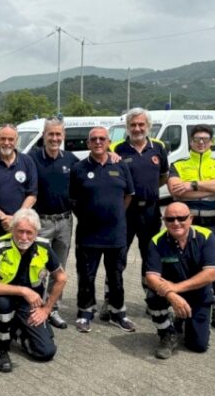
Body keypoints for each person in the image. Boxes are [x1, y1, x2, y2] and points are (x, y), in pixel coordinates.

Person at [0, 209, 67, 373]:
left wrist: (46, 309)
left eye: (29, 233)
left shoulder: (43, 246)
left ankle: (15, 330)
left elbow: (61, 278)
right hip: (1, 297)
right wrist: (23, 290)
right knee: (3, 305)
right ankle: (1, 350)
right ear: (12, 229)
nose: (24, 237)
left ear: (36, 233)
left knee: (46, 351)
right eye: (20, 231)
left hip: (28, 303)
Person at [167, 124, 215, 330]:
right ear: (191, 141)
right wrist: (210, 187)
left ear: (211, 141)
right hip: (187, 228)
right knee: (183, 269)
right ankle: (182, 311)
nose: (201, 142)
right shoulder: (178, 164)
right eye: (197, 139)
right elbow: (176, 191)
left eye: (205, 138)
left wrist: (193, 186)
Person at [69, 127, 136, 333]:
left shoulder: (121, 166)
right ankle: (85, 313)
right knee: (86, 276)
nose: (98, 142)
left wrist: (113, 214)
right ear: (88, 143)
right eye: (94, 139)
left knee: (116, 276)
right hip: (88, 234)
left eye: (102, 139)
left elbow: (128, 195)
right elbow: (73, 200)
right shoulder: (78, 168)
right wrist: (91, 215)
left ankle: (118, 313)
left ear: (108, 142)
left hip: (116, 233)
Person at [107, 107, 169, 323]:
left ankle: (151, 299)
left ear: (148, 126)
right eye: (133, 125)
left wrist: (148, 190)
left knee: (150, 256)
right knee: (117, 257)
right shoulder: (116, 148)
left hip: (151, 212)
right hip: (125, 212)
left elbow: (163, 177)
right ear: (127, 127)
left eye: (141, 124)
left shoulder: (159, 148)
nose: (137, 128)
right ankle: (111, 299)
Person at [145, 202, 215, 359]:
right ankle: (167, 334)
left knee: (198, 346)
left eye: (181, 218)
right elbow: (151, 277)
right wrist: (172, 295)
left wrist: (176, 288)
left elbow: (211, 274)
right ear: (164, 221)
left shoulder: (206, 236)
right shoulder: (156, 241)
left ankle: (182, 319)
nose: (176, 223)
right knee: (152, 293)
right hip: (168, 292)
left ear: (190, 218)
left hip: (198, 291)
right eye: (170, 219)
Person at [29, 117, 80, 329]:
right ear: (44, 135)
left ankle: (53, 308)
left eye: (59, 134)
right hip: (41, 222)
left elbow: (91, 166)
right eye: (51, 134)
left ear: (64, 136)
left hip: (65, 221)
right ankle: (34, 307)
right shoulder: (31, 159)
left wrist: (112, 155)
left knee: (58, 268)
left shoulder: (71, 159)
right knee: (37, 267)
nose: (55, 138)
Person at [0, 123, 38, 247]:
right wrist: (3, 217)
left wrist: (16, 218)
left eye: (10, 139)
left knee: (19, 265)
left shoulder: (27, 161)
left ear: (16, 140)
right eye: (3, 139)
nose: (6, 142)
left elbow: (32, 193)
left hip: (20, 226)